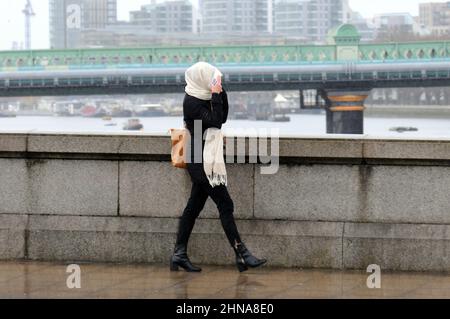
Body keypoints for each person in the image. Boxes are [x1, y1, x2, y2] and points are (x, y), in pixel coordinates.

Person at [170, 62, 267, 273]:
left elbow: (221, 117)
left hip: (206, 156)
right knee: (225, 203)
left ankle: (179, 253)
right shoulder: (192, 102)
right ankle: (242, 253)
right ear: (201, 78)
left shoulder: (205, 95)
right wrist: (215, 94)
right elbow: (215, 122)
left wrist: (221, 91)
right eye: (213, 79)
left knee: (193, 207)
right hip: (198, 159)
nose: (216, 83)